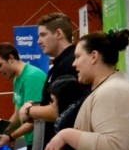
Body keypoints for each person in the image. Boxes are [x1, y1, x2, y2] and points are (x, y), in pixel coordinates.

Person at [19, 12, 89, 143]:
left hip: (64, 147)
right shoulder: (58, 65)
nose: (38, 41)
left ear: (58, 34)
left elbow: (59, 111)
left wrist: (29, 110)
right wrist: (35, 107)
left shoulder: (69, 64)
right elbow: (51, 105)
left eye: (43, 35)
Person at [0, 42, 46, 150]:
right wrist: (0, 133)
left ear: (11, 58)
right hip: (31, 141)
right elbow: (17, 115)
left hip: (41, 142)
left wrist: (10, 137)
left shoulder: (31, 77)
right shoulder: (17, 79)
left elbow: (35, 119)